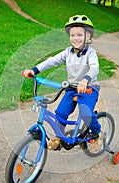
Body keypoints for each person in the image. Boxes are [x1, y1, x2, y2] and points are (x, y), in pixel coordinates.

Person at [21, 15, 102, 150]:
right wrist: (34, 70)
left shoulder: (91, 54)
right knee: (60, 112)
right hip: (72, 88)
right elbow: (52, 61)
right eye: (72, 35)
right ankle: (59, 138)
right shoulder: (67, 52)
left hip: (89, 88)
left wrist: (85, 80)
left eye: (79, 35)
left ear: (88, 37)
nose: (75, 38)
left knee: (86, 113)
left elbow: (94, 67)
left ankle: (97, 133)